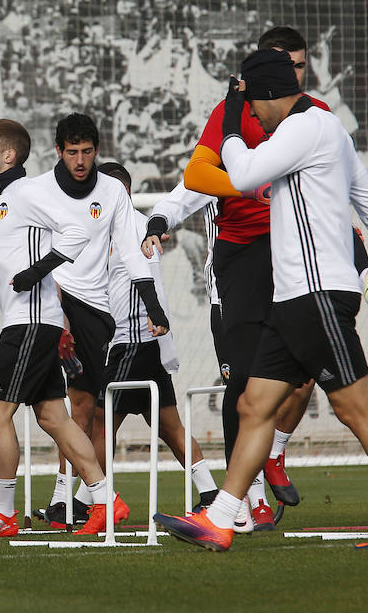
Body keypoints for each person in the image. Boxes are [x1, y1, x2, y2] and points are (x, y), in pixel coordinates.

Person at [154, 48, 368, 551]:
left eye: (255, 106)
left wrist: (232, 122)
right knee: (254, 404)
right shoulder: (322, 128)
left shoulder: (306, 128)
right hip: (295, 298)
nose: (256, 117)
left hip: (317, 294)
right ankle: (221, 517)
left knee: (356, 408)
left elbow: (240, 176)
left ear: (263, 95)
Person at [146, 27, 331, 531]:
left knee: (309, 372)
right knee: (245, 383)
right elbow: (195, 179)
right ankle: (243, 498)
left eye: (299, 65)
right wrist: (159, 220)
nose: (292, 74)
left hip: (296, 260)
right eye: (282, 64)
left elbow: (338, 181)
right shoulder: (232, 114)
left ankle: (274, 454)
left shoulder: (316, 116)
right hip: (236, 267)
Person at [0, 118, 132, 536]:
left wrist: (37, 272)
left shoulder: (26, 192)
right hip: (26, 320)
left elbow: (77, 231)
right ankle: (106, 500)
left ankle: (4, 511)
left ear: (8, 155)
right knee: (54, 418)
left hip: (31, 322)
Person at [36, 113, 170, 529]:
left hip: (95, 317)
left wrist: (155, 307)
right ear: (58, 151)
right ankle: (81, 499)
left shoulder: (112, 192)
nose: (80, 160)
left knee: (79, 409)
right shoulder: (37, 191)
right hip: (50, 305)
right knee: (32, 408)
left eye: (87, 152)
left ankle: (81, 500)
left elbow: (133, 254)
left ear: (97, 152)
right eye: (72, 152)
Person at [93, 162, 218, 511]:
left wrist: (154, 317)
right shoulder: (105, 228)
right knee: (168, 425)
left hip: (135, 338)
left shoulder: (133, 226)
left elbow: (147, 276)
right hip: (133, 341)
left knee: (101, 422)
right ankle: (210, 494)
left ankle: (92, 501)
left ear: (122, 192)